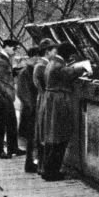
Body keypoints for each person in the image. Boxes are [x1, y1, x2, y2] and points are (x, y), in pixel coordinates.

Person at [40, 42, 90, 181]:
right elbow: (69, 74)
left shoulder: (52, 62)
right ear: (68, 54)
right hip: (58, 102)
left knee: (52, 136)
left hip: (52, 100)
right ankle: (52, 172)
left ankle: (47, 169)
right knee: (59, 135)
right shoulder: (58, 65)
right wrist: (84, 67)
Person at [0, 39, 25, 159]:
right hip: (3, 97)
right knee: (1, 124)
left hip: (4, 96)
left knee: (11, 122)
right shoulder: (2, 62)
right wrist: (6, 93)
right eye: (14, 48)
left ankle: (13, 148)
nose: (15, 51)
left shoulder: (2, 59)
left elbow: (5, 76)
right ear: (6, 47)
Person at [16, 46, 42, 173]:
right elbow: (23, 93)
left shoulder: (28, 71)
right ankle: (30, 163)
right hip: (30, 110)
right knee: (31, 139)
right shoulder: (26, 72)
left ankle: (31, 163)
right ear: (33, 57)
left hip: (31, 109)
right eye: (37, 56)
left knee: (32, 139)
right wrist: (32, 106)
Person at [32, 37, 55, 175]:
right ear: (47, 52)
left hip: (41, 100)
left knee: (41, 133)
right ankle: (44, 167)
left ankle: (41, 166)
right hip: (46, 100)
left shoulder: (38, 65)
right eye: (53, 50)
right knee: (45, 134)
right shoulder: (43, 66)